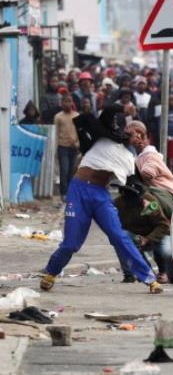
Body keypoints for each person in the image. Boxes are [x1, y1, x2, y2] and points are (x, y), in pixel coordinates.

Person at [40, 105, 162, 294]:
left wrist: (145, 199)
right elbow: (108, 112)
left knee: (119, 236)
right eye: (134, 130)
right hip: (79, 190)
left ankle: (149, 279)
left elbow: (134, 187)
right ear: (125, 129)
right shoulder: (105, 135)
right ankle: (51, 272)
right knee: (72, 243)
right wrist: (124, 108)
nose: (137, 135)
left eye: (141, 134)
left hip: (100, 195)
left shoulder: (130, 159)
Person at [113, 177, 173, 285]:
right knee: (120, 240)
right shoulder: (119, 202)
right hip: (136, 234)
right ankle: (136, 274)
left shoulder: (149, 202)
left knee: (167, 252)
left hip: (159, 234)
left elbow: (163, 225)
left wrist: (147, 239)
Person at [54, 94, 80, 200]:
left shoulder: (77, 116)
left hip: (74, 147)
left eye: (70, 101)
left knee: (72, 170)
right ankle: (63, 193)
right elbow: (56, 133)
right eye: (65, 101)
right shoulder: (58, 116)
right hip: (62, 146)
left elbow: (79, 132)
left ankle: (69, 192)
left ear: (72, 102)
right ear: (61, 103)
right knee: (64, 170)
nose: (68, 104)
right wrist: (55, 147)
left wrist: (78, 144)